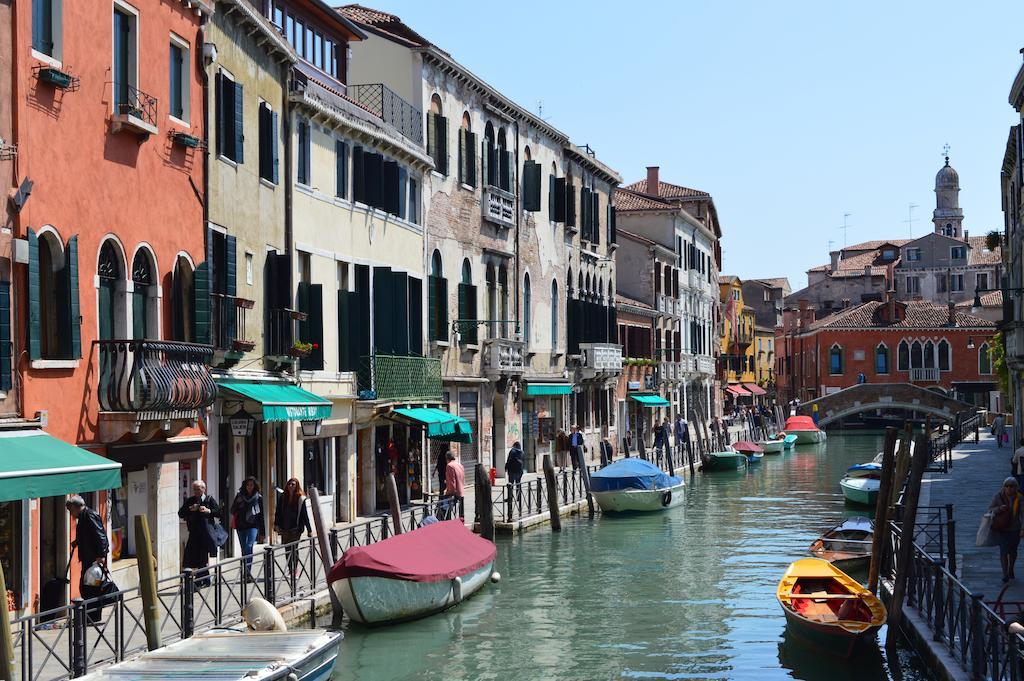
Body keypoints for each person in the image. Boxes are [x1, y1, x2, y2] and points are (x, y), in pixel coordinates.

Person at [67, 495, 110, 623]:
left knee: (91, 588)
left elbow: (101, 537)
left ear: (75, 507)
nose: (71, 514)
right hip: (89, 558)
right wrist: (78, 541)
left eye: (70, 510)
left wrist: (101, 556)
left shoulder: (89, 516)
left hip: (93, 560)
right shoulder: (83, 517)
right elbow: (89, 535)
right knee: (88, 587)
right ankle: (91, 616)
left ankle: (92, 616)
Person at [178, 480, 219, 588]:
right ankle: (205, 580)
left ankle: (199, 581)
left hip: (206, 533)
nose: (196, 491)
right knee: (192, 557)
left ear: (204, 489)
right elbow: (180, 513)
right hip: (194, 533)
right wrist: (190, 509)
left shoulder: (209, 500)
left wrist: (208, 510)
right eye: (195, 489)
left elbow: (218, 512)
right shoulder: (190, 500)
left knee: (203, 557)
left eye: (198, 489)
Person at [274, 477, 312, 578]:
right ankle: (291, 569)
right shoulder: (283, 497)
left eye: (293, 484)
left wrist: (309, 530)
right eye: (289, 484)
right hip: (284, 528)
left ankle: (295, 570)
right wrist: (276, 525)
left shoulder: (300, 499)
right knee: (287, 549)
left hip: (296, 529)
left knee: (294, 548)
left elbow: (305, 515)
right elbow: (277, 512)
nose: (291, 486)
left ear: (297, 486)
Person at [989, 477, 1024, 582]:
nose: (1009, 488)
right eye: (1007, 486)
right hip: (1002, 528)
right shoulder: (998, 496)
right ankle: (1005, 574)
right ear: (1003, 487)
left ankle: (1011, 569)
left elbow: (1023, 514)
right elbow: (990, 509)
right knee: (1003, 551)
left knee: (1013, 551)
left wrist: (1023, 529)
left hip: (1015, 528)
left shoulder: (1020, 498)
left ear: (1016, 487)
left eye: (1012, 486)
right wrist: (999, 509)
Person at [231, 477, 266, 581]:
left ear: (254, 486)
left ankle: (247, 572)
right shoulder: (239, 496)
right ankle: (245, 572)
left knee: (249, 546)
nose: (249, 487)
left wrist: (262, 532)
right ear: (245, 486)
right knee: (243, 549)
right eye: (248, 485)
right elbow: (232, 510)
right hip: (241, 525)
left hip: (253, 525)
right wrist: (238, 502)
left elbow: (261, 515)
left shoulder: (258, 497)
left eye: (251, 485)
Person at [443, 451, 466, 519]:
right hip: (461, 492)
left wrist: (447, 492)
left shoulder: (449, 466)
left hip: (454, 494)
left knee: (441, 507)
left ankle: (446, 524)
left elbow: (452, 483)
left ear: (447, 458)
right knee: (460, 514)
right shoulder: (460, 465)